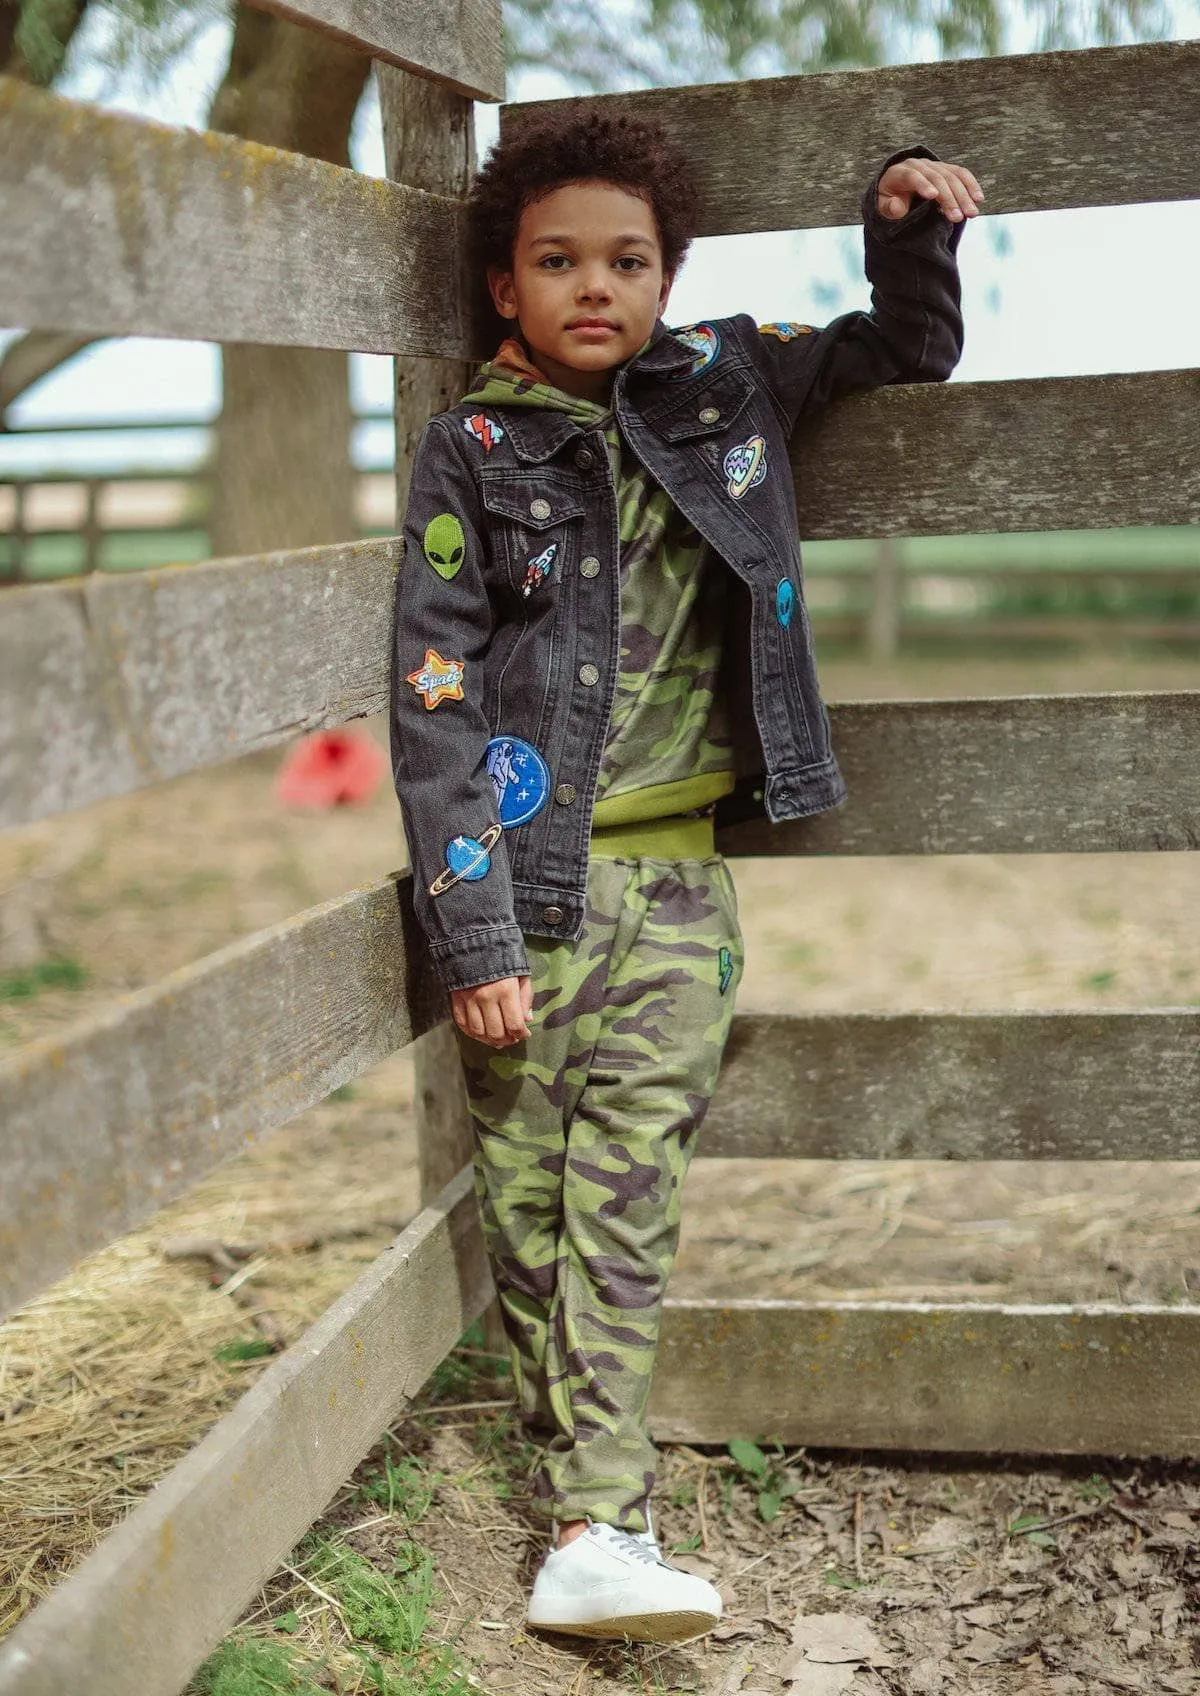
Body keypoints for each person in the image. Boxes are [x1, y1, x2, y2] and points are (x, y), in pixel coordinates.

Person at [389, 108, 980, 1643]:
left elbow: (898, 352)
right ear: (504, 287)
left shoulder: (727, 373)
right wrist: (472, 935)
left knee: (630, 1196)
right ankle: (586, 1496)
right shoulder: (473, 447)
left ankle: (602, 1521)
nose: (600, 286)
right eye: (558, 261)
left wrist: (909, 224)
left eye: (630, 260)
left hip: (678, 898)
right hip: (524, 896)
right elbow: (433, 692)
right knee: (528, 1206)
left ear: (671, 273)